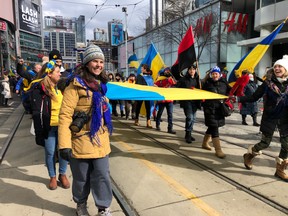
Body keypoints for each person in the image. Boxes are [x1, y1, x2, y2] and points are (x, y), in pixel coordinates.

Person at [58, 44, 113, 216]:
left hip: (100, 140)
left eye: (101, 61)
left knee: (102, 176)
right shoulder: (74, 86)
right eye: (95, 61)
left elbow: (103, 111)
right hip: (80, 140)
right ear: (87, 63)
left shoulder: (102, 85)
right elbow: (65, 116)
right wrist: (64, 145)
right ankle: (81, 204)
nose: (99, 65)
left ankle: (103, 208)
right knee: (81, 179)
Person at [239, 55, 288, 182]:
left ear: (286, 69)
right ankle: (249, 155)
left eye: (280, 66)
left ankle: (280, 170)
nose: (277, 68)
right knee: (265, 143)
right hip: (270, 117)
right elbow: (254, 97)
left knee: (286, 146)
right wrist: (239, 98)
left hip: (285, 119)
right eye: (275, 66)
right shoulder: (267, 83)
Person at [30, 60, 70, 190]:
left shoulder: (62, 86)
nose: (60, 74)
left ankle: (62, 174)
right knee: (50, 152)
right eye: (58, 72)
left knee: (64, 151)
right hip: (49, 127)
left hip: (63, 126)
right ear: (49, 74)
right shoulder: (40, 89)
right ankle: (52, 176)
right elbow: (35, 109)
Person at [201, 66, 231, 158]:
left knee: (212, 126)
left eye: (216, 73)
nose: (215, 75)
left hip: (220, 109)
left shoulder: (224, 83)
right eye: (213, 74)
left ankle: (205, 143)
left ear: (219, 74)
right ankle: (218, 150)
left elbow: (230, 91)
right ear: (211, 75)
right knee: (214, 128)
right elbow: (201, 93)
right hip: (209, 109)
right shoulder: (207, 83)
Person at [176, 64, 201, 143]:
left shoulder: (198, 80)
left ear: (195, 70)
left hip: (195, 101)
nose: (192, 71)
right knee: (189, 117)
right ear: (188, 70)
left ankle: (189, 133)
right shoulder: (183, 79)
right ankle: (188, 134)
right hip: (187, 101)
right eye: (190, 69)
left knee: (193, 119)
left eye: (193, 69)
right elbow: (177, 88)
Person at [154, 67, 177, 134]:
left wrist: (172, 80)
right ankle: (157, 124)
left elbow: (175, 85)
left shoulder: (171, 79)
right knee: (160, 112)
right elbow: (155, 85)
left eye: (168, 71)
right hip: (162, 100)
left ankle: (170, 128)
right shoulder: (160, 79)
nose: (167, 72)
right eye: (166, 71)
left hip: (169, 100)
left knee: (170, 114)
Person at [134, 64, 154, 128]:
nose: (141, 69)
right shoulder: (139, 76)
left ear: (145, 69)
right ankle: (136, 120)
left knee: (148, 107)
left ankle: (148, 121)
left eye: (142, 68)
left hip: (147, 94)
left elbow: (151, 85)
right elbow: (137, 84)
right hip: (140, 94)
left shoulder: (150, 77)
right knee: (138, 107)